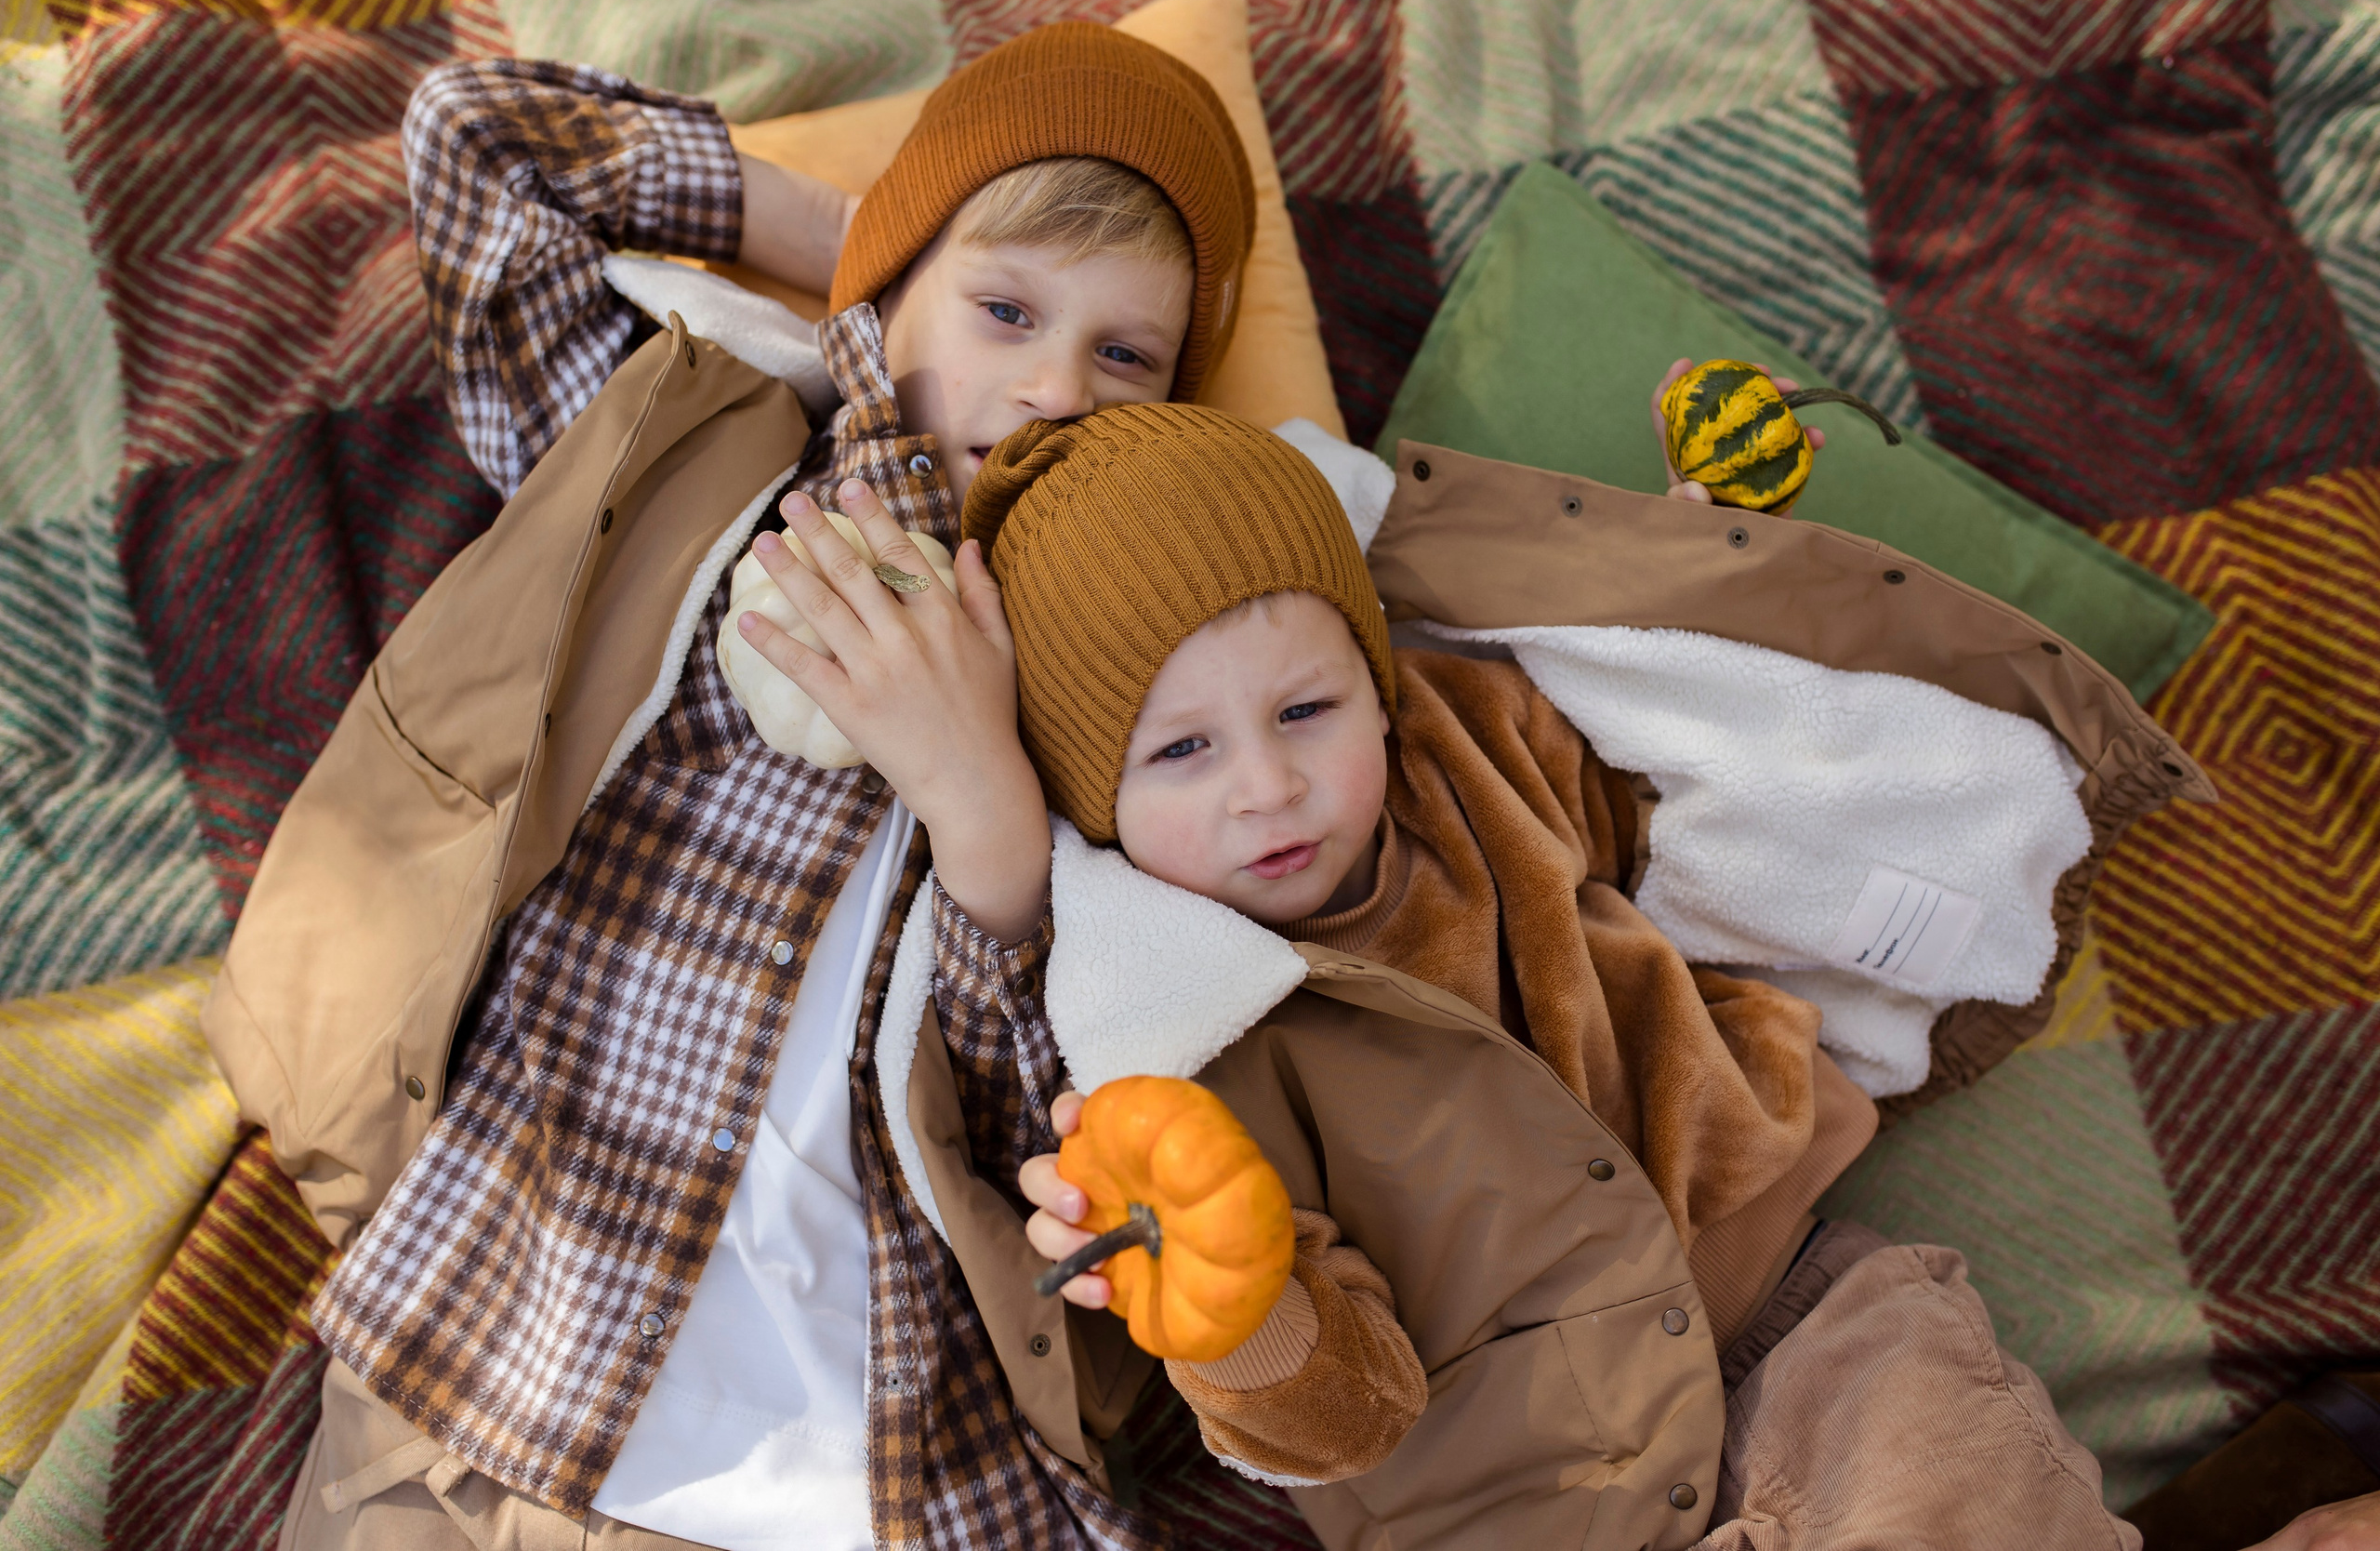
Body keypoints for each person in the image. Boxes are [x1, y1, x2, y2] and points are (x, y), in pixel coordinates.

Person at [736, 401, 2159, 1547]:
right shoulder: (1172, 1036)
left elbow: (1686, 757)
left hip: (1786, 1310)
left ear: (1375, 678)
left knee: (1965, 1487)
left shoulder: (1470, 747)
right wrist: (1236, 1319)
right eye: (1181, 753)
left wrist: (1694, 582)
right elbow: (1337, 1420)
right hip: (1529, 1503)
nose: (1269, 786)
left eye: (1307, 708)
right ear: (1086, 794)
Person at [210, 22, 1273, 1551]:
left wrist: (988, 823)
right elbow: (475, 137)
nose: (1052, 387)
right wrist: (862, 241)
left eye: (1126, 355)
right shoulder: (695, 458)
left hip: (872, 1452)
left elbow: (1073, 1114)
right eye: (1003, 308)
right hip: (497, 1351)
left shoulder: (1137, 680)